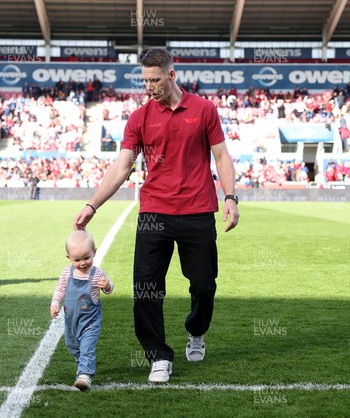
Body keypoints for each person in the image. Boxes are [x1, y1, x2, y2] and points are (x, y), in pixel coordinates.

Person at [73, 48, 239, 384]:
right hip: (154, 212)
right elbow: (121, 166)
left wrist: (231, 197)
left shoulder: (204, 110)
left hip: (198, 210)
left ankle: (196, 329)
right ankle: (159, 356)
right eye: (145, 80)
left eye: (155, 79)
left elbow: (221, 155)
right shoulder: (139, 118)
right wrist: (93, 205)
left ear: (172, 75)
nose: (150, 86)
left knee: (204, 285)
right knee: (146, 288)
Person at [50, 230, 114, 390]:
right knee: (71, 346)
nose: (83, 263)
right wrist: (55, 303)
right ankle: (82, 367)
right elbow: (60, 289)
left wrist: (106, 286)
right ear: (69, 258)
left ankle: (85, 375)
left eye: (87, 257)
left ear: (94, 252)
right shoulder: (67, 272)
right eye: (77, 259)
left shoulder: (97, 273)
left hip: (90, 321)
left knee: (86, 347)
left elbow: (110, 287)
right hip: (71, 321)